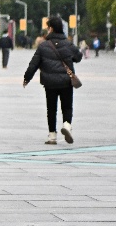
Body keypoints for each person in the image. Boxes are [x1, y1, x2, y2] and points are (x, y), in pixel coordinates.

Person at [23, 16, 83, 145]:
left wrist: (27, 78)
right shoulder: (68, 44)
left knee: (51, 109)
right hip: (66, 81)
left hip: (49, 82)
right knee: (67, 106)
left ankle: (52, 136)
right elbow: (78, 57)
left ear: (51, 28)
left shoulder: (43, 46)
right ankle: (67, 125)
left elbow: (34, 63)